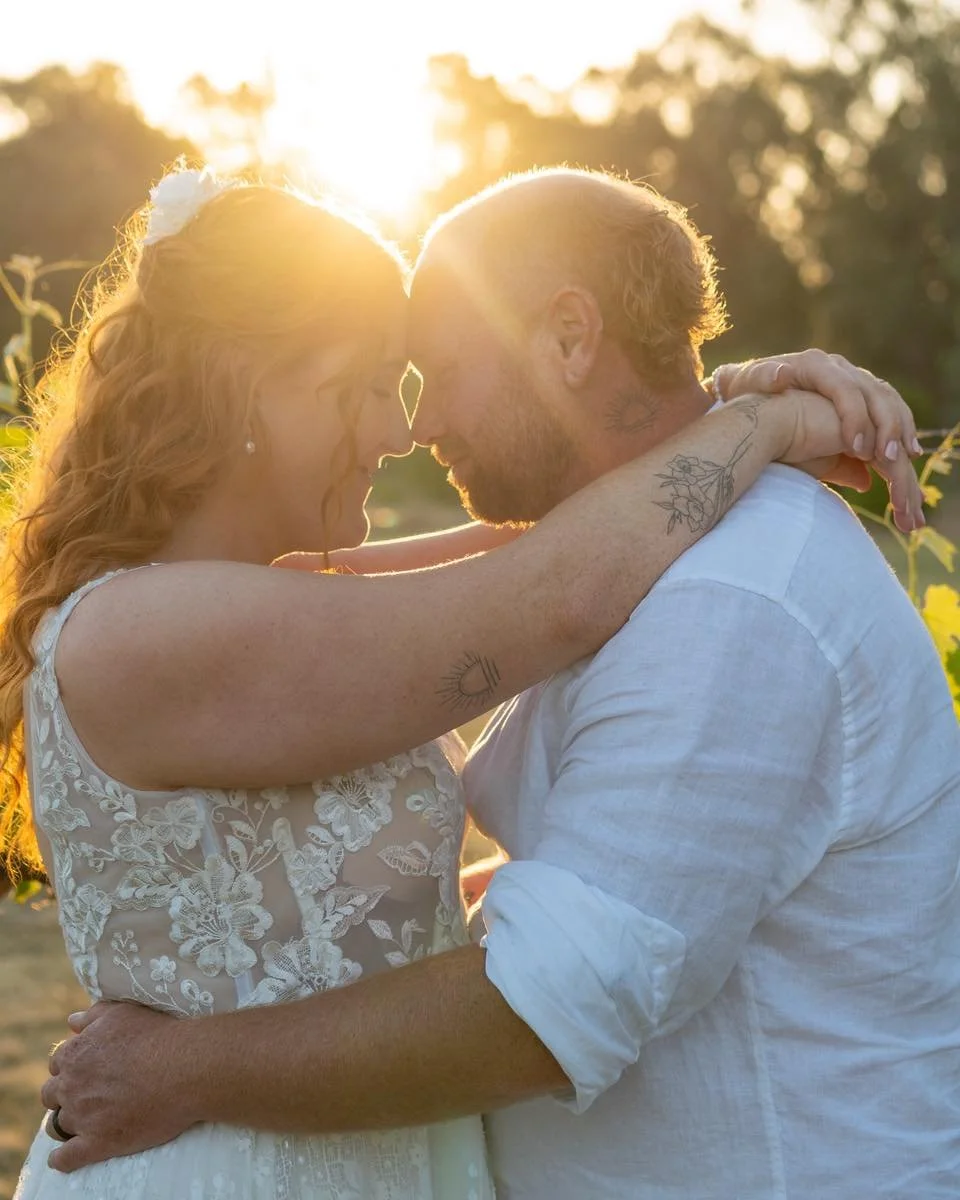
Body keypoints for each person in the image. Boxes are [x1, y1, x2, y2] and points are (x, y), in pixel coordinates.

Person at [13, 167, 927, 1200]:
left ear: (572, 337)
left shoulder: (731, 596)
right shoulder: (155, 625)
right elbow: (540, 592)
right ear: (245, 388)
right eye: (367, 382)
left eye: (429, 369)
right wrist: (757, 423)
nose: (411, 424)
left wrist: (727, 412)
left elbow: (538, 572)